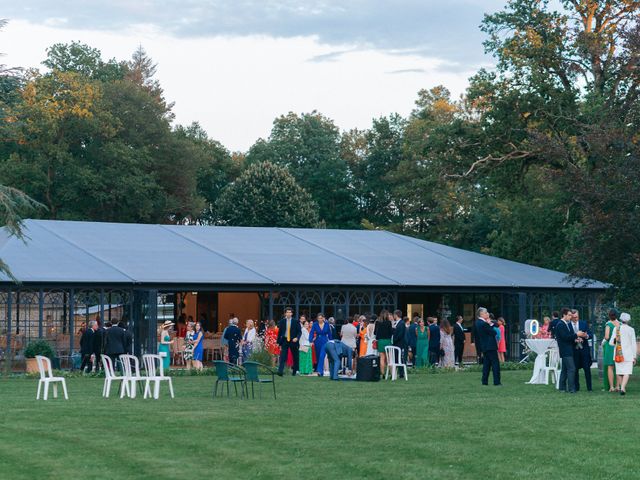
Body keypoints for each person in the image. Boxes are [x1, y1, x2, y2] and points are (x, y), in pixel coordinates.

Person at [556, 308, 587, 393]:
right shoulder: (560, 324)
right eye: (569, 315)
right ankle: (572, 389)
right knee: (572, 369)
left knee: (565, 370)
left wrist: (575, 340)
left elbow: (567, 337)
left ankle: (562, 388)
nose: (571, 317)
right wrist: (577, 334)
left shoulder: (564, 324)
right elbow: (565, 337)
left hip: (567, 349)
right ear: (564, 315)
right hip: (566, 351)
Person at [609, 312, 637, 395]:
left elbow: (611, 343)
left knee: (619, 372)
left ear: (621, 319)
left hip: (618, 353)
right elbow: (633, 344)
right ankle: (623, 388)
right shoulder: (631, 330)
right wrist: (634, 356)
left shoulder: (616, 329)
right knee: (627, 372)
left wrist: (616, 340)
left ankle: (622, 388)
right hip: (628, 354)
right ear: (628, 320)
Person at [475, 308, 501, 386]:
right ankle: (496, 382)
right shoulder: (484, 323)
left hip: (484, 346)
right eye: (486, 313)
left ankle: (484, 381)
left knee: (486, 364)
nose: (487, 314)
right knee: (495, 364)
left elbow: (496, 324)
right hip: (490, 346)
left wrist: (490, 323)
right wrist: (490, 324)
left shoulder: (477, 322)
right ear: (481, 314)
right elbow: (493, 332)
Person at [571, 310, 592, 392]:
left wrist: (585, 335)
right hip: (574, 350)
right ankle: (576, 387)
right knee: (575, 370)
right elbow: (567, 337)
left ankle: (589, 388)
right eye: (574, 317)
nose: (576, 319)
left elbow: (590, 334)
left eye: (577, 317)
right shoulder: (568, 325)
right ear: (571, 317)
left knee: (587, 369)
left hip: (584, 350)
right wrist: (574, 339)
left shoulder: (583, 323)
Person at [277, 308, 302, 376]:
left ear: (292, 313)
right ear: (285, 313)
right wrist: (278, 342)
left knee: (295, 356)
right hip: (285, 340)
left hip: (293, 340)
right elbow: (280, 332)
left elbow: (299, 332)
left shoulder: (295, 321)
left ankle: (295, 371)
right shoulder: (282, 321)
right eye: (287, 312)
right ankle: (280, 371)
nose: (288, 313)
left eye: (290, 312)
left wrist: (297, 338)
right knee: (283, 356)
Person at [602, 309, 620, 392]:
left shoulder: (608, 324)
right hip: (618, 346)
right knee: (618, 367)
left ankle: (611, 387)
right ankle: (618, 386)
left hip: (610, 346)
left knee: (610, 367)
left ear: (609, 315)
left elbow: (606, 337)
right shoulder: (620, 324)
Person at [374, 310, 393, 375]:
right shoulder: (389, 322)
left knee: (382, 358)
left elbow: (375, 333)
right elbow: (391, 333)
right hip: (387, 341)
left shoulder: (377, 322)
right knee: (389, 358)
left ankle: (383, 374)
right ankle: (391, 373)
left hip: (380, 341)